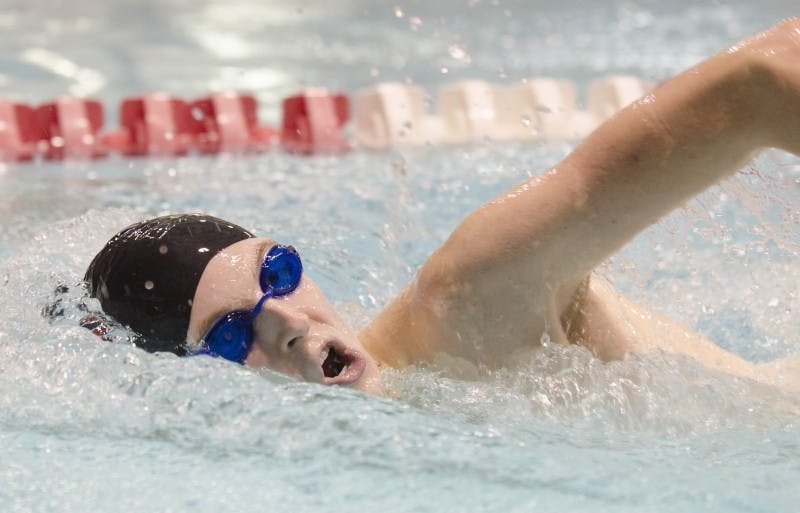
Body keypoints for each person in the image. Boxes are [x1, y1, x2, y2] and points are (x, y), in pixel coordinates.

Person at [83, 20, 800, 395]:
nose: (292, 325)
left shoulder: (469, 296)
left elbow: (761, 80)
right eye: (233, 336)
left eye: (278, 273)